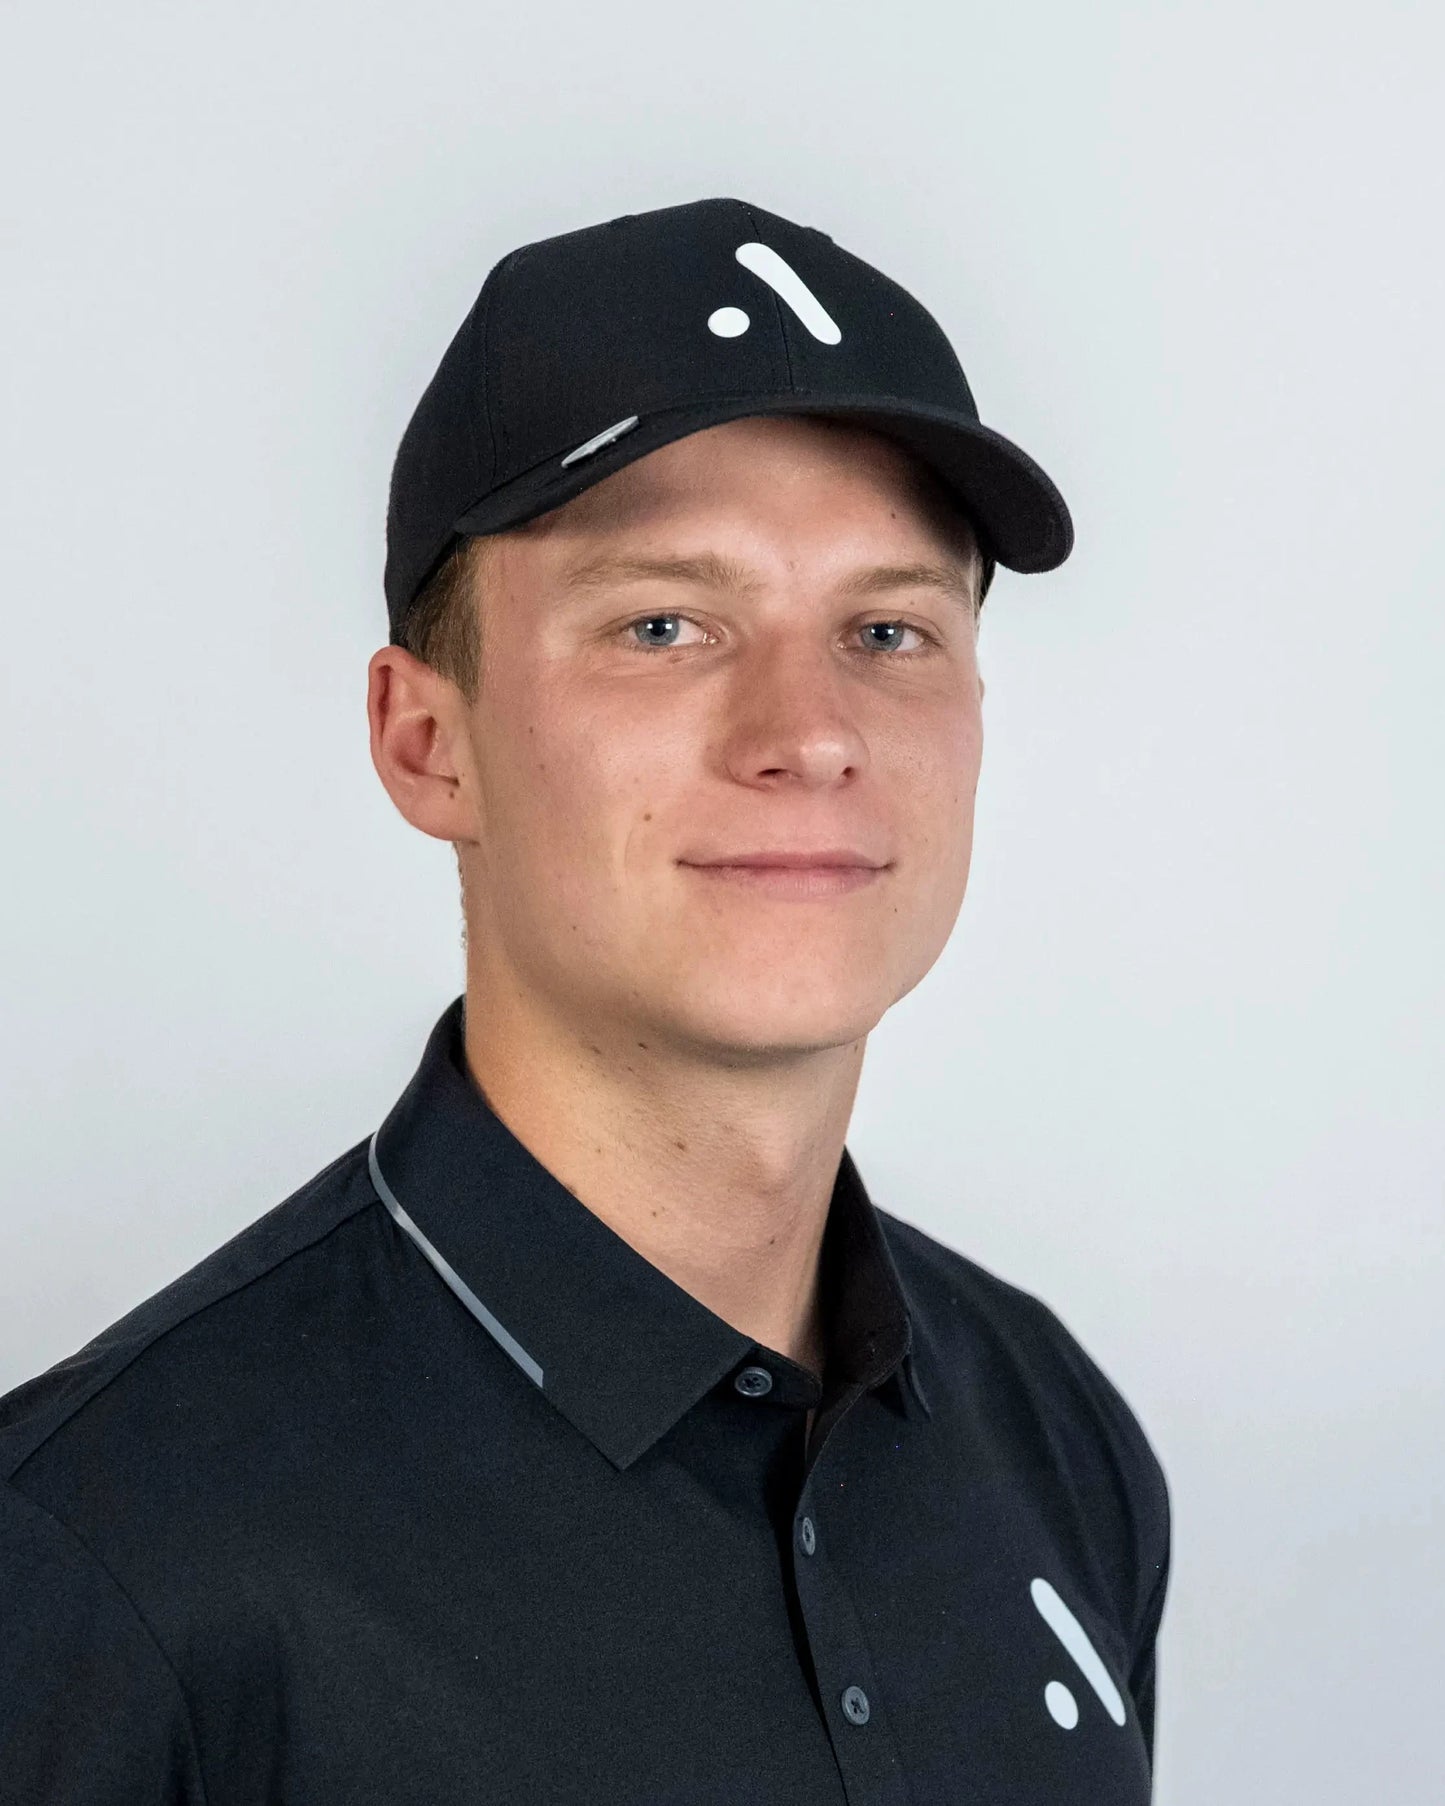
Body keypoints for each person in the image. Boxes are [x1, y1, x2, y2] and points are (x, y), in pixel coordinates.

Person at [0, 197, 1170, 1804]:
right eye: (665, 624)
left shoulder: (1049, 1429)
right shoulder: (95, 1558)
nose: (808, 730)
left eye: (886, 628)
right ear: (431, 742)